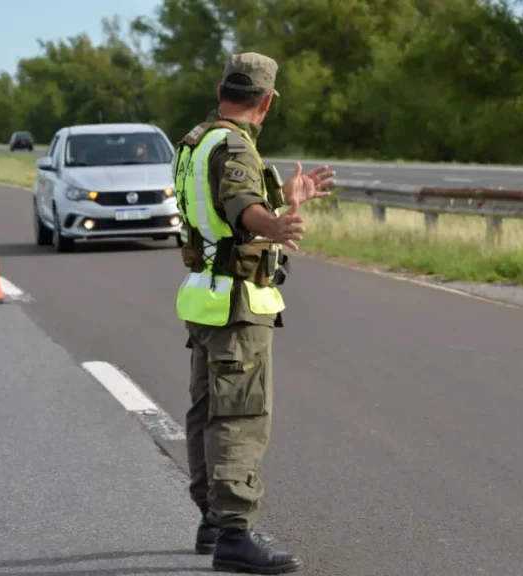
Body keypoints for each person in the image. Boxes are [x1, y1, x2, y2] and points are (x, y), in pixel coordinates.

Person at [172, 52, 335, 574]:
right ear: (266, 102)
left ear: (221, 88)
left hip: (205, 297)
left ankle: (211, 520)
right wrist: (276, 223)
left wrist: (286, 197)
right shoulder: (236, 146)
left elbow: (220, 208)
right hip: (237, 303)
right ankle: (235, 533)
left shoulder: (197, 140)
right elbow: (242, 207)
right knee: (239, 416)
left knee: (207, 412)